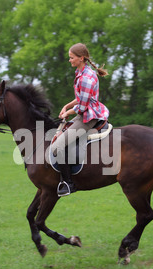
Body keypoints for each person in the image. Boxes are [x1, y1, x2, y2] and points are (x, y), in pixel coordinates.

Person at [52, 43, 110, 197]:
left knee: (57, 146)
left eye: (72, 58)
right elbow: (79, 99)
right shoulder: (81, 72)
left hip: (87, 117)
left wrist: (67, 113)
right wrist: (67, 106)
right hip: (83, 113)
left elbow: (83, 106)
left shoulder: (86, 77)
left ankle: (68, 183)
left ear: (81, 58)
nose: (69, 60)